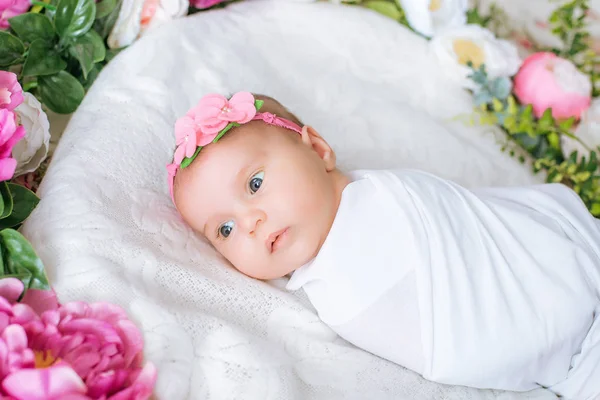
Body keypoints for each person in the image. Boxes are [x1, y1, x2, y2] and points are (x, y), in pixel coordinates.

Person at [167, 91, 600, 399]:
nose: (249, 223)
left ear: (318, 150)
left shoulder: (377, 196)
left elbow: (475, 229)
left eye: (255, 184)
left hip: (570, 262)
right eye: (223, 230)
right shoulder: (328, 288)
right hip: (571, 356)